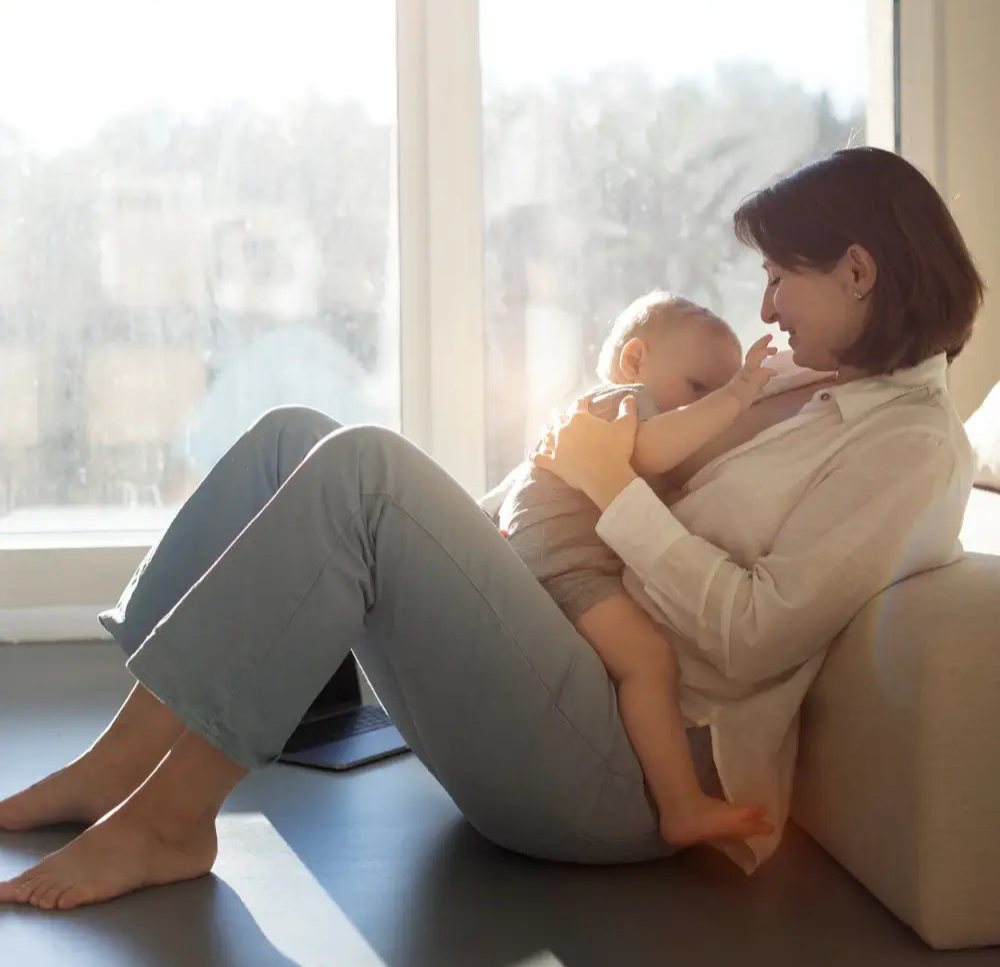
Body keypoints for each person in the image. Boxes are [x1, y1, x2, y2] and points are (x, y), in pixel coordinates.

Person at [0, 147, 983, 911]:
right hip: (563, 656)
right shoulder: (802, 378)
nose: (764, 304)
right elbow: (611, 481)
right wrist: (485, 536)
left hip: (632, 764)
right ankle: (119, 764)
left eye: (779, 275)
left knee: (361, 468)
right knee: (294, 441)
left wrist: (611, 488)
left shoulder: (912, 448)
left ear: (859, 270)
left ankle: (172, 823)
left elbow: (755, 631)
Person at [496, 291, 781, 848]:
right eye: (697, 389)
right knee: (648, 659)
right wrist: (737, 396)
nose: (703, 411)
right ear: (634, 361)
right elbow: (650, 451)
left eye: (716, 392)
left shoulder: (599, 409)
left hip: (555, 556)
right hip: (565, 563)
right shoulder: (623, 403)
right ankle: (681, 805)